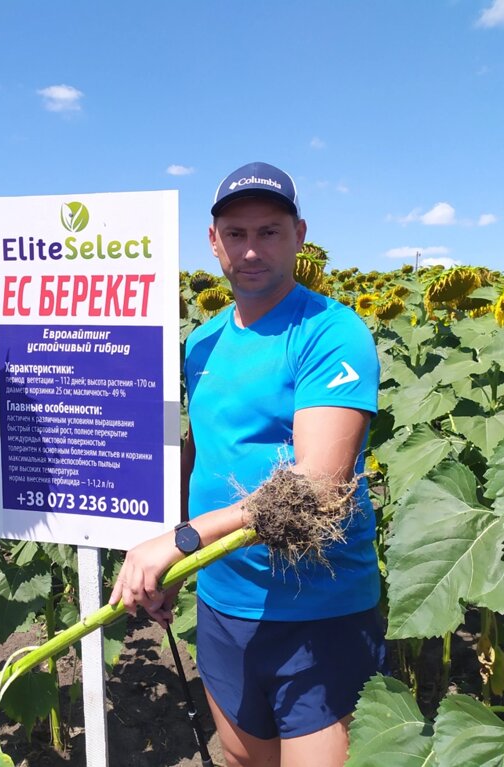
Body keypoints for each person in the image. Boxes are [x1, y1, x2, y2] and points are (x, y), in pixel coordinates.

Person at [108, 162, 385, 767]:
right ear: (214, 242)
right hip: (224, 601)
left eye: (269, 231)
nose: (252, 250)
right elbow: (202, 446)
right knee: (239, 760)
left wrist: (181, 541)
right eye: (236, 234)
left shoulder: (331, 332)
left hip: (317, 608)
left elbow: (317, 489)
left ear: (299, 235)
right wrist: (177, 559)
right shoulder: (202, 341)